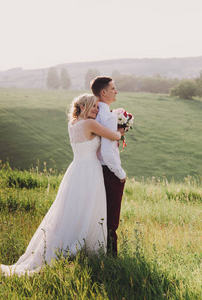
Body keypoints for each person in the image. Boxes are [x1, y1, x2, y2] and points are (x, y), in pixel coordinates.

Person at [0, 94, 123, 276]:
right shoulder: (90, 124)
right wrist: (122, 128)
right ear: (82, 107)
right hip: (89, 172)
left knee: (71, 211)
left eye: (97, 106)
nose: (97, 109)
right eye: (93, 106)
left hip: (76, 171)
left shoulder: (72, 124)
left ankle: (71, 245)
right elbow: (114, 136)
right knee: (88, 208)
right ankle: (87, 251)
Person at [91, 76, 127, 257]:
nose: (116, 91)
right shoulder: (108, 117)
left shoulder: (94, 114)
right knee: (112, 218)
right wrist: (121, 174)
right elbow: (107, 151)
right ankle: (112, 258)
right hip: (109, 171)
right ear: (103, 93)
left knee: (99, 214)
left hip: (96, 169)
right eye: (113, 88)